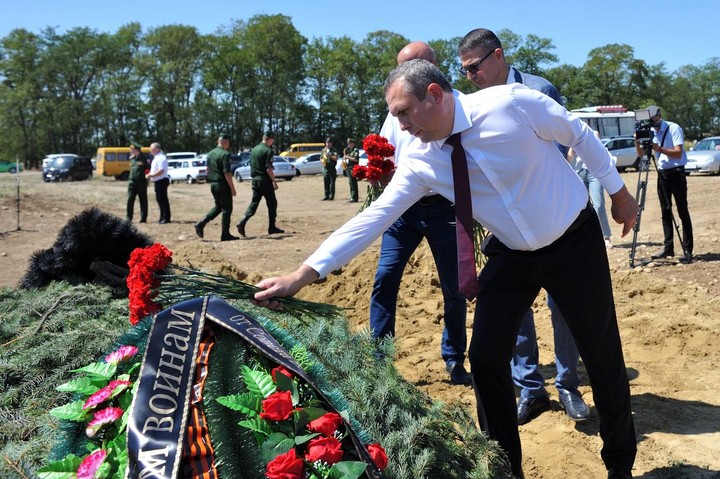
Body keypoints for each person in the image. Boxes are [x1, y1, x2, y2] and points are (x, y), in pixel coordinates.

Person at [253, 60, 639, 479]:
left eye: (403, 112)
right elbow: (373, 218)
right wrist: (301, 275)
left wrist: (619, 193)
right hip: (511, 254)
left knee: (602, 356)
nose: (398, 125)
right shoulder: (421, 161)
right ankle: (505, 468)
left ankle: (619, 464)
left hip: (572, 240)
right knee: (486, 357)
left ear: (434, 95)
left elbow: (579, 134)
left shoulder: (514, 104)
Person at [458, 27, 589, 423]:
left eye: (475, 67)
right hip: (506, 224)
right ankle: (531, 388)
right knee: (517, 311)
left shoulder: (539, 89)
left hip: (553, 220)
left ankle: (568, 385)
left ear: (498, 56)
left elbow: (564, 147)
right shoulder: (471, 104)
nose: (471, 77)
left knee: (561, 303)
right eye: (464, 72)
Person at [371, 41, 471, 386]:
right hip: (404, 211)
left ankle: (455, 358)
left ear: (432, 66)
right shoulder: (394, 110)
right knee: (385, 278)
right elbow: (385, 153)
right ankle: (379, 357)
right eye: (399, 66)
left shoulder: (457, 105)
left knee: (454, 286)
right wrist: (378, 170)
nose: (404, 74)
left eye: (412, 64)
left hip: (444, 207)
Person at [635, 105, 693, 263]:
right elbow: (642, 155)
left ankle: (688, 249)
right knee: (665, 211)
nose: (652, 121)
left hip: (677, 173)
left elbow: (678, 152)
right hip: (662, 174)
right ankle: (669, 248)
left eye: (654, 117)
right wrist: (637, 140)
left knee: (682, 210)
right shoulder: (650, 131)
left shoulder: (673, 128)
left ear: (659, 115)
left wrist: (658, 148)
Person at [569, 130, 614, 249]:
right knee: (579, 208)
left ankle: (606, 236)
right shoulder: (574, 136)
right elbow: (568, 158)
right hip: (579, 172)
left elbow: (599, 152)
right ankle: (585, 239)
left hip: (594, 173)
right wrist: (571, 150)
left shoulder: (593, 133)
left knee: (598, 205)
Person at [236, 132, 284, 237]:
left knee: (254, 203)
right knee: (272, 203)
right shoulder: (268, 150)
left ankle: (242, 221)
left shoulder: (254, 150)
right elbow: (268, 169)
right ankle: (272, 227)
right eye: (273, 140)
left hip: (255, 180)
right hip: (265, 180)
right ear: (270, 139)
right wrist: (274, 182)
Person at [195, 134, 238, 241]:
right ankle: (225, 234)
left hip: (213, 184)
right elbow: (227, 173)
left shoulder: (210, 154)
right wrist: (232, 188)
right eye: (229, 143)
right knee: (227, 209)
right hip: (222, 184)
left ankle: (201, 223)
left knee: (218, 207)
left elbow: (208, 170)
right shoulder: (225, 154)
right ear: (225, 142)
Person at [146, 142, 170, 224]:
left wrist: (150, 175)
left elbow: (161, 170)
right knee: (159, 199)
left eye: (151, 149)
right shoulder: (156, 158)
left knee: (163, 199)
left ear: (157, 149)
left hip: (162, 180)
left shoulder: (161, 158)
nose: (150, 150)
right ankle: (162, 216)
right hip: (158, 180)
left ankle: (166, 217)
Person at [126, 142, 149, 223]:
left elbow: (147, 169)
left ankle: (143, 218)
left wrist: (147, 178)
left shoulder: (144, 159)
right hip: (132, 182)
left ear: (136, 150)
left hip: (141, 183)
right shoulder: (131, 158)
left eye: (131, 149)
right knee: (130, 200)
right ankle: (129, 218)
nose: (130, 151)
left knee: (143, 200)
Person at [343, 138, 360, 203]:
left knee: (353, 183)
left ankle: (355, 198)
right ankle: (352, 197)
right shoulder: (349, 151)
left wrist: (348, 157)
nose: (348, 145)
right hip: (349, 168)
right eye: (348, 143)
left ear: (352, 144)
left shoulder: (355, 151)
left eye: (349, 143)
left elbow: (356, 160)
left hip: (353, 168)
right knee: (351, 183)